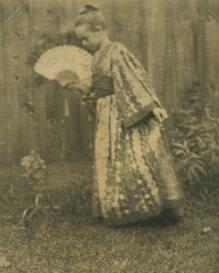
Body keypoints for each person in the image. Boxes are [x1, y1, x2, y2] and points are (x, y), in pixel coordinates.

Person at [58, 4, 184, 225]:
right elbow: (97, 88)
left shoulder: (117, 51)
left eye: (85, 38)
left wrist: (152, 106)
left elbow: (134, 79)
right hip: (105, 113)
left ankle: (150, 208)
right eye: (81, 41)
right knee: (110, 160)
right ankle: (119, 207)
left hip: (123, 114)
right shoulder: (96, 57)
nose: (84, 44)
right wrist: (80, 87)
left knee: (135, 159)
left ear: (99, 29)